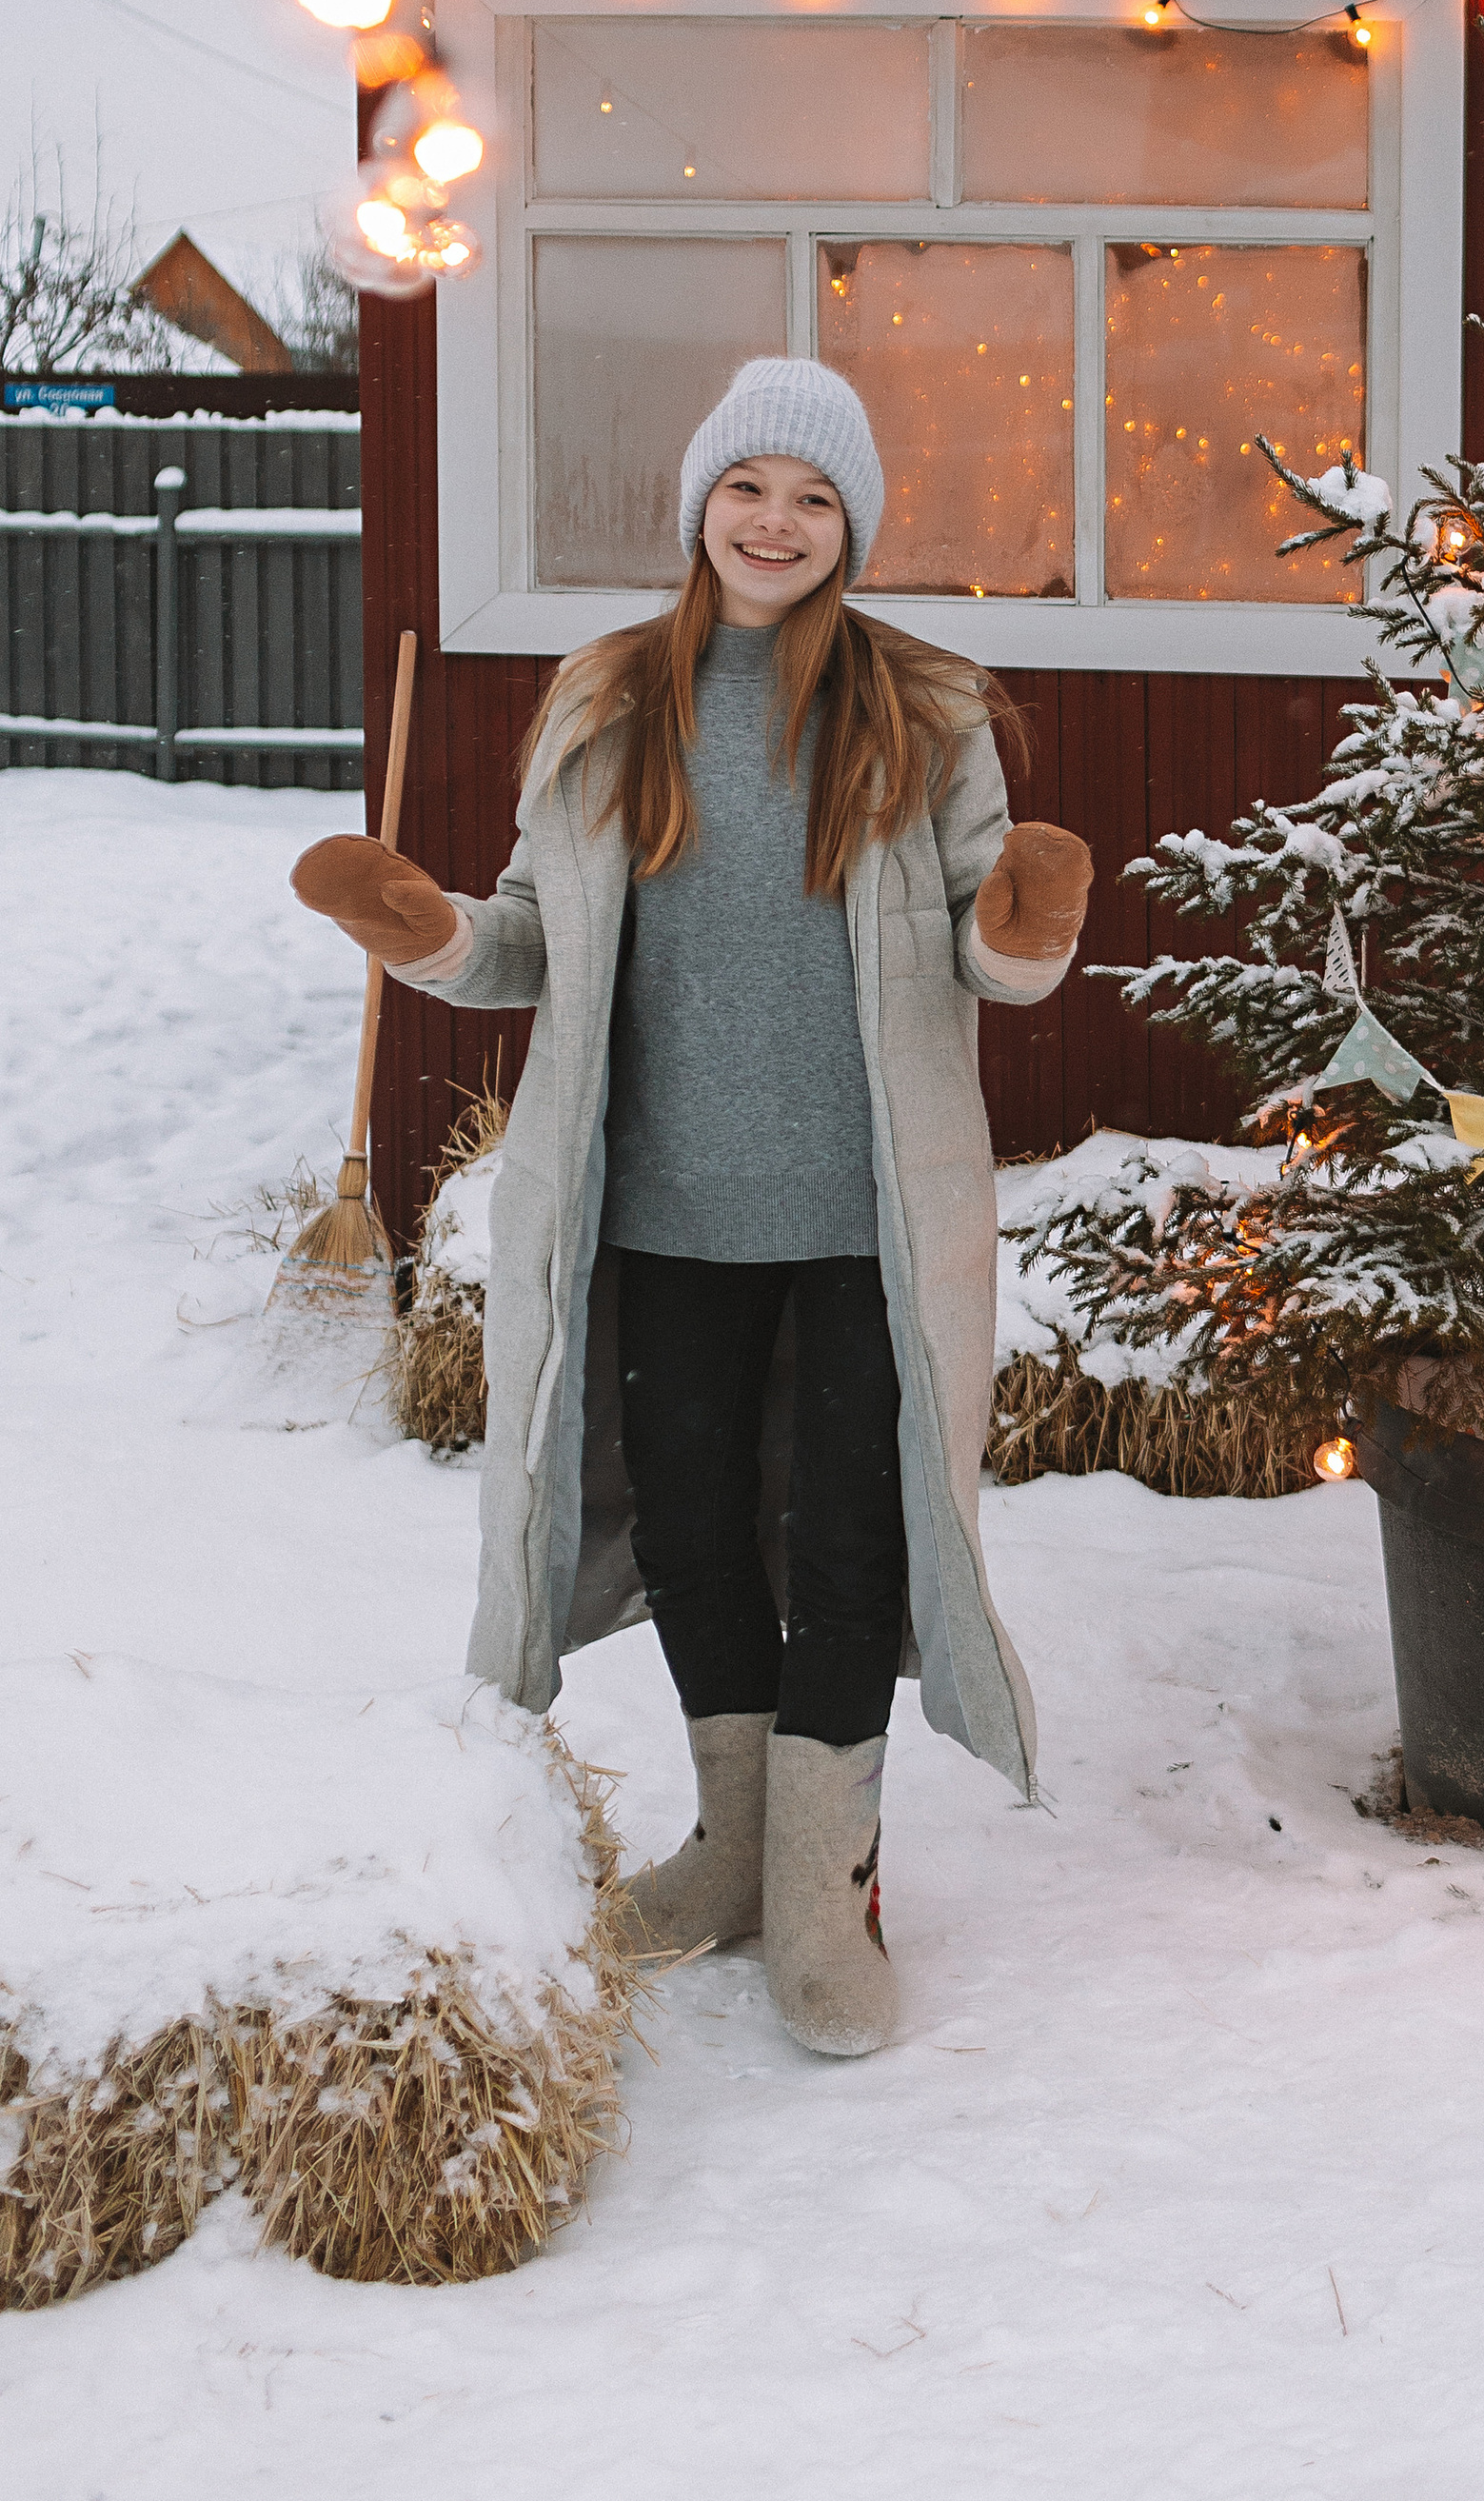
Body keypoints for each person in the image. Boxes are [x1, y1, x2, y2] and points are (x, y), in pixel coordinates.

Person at [289, 358, 1091, 2058]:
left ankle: (826, 1889)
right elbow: (529, 939)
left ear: (850, 529)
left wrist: (1025, 927)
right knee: (693, 1524)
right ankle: (736, 1845)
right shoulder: (604, 700)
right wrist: (422, 927)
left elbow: (981, 959)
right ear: (700, 509)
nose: (776, 522)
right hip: (658, 1205)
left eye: (812, 499)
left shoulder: (925, 712)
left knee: (858, 1539)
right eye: (749, 490)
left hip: (865, 1213)